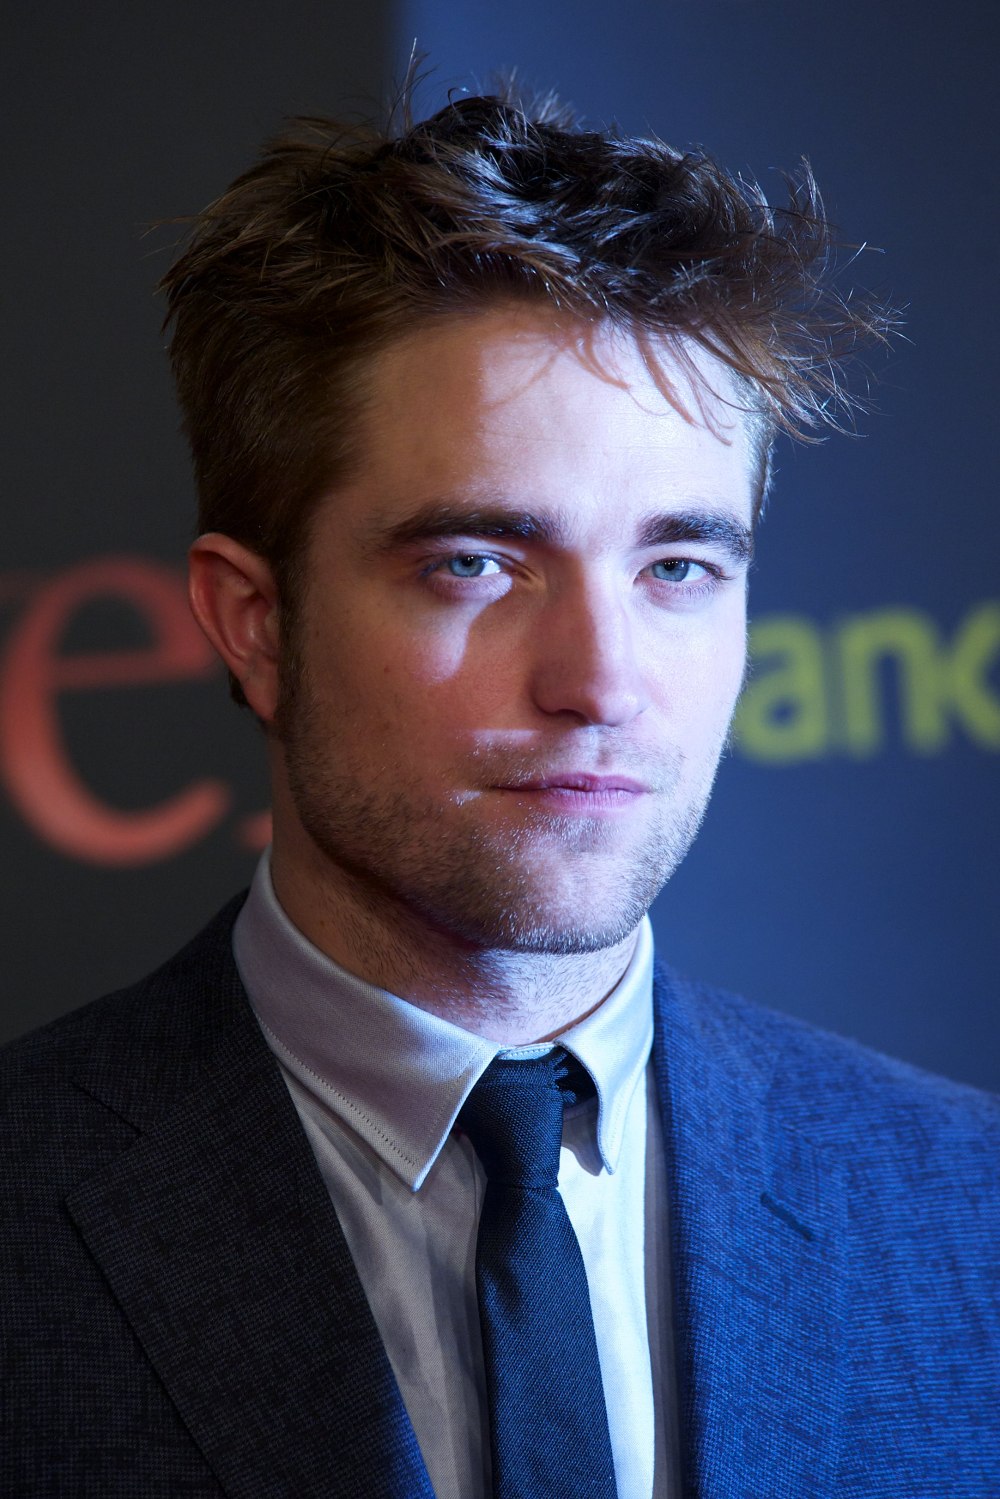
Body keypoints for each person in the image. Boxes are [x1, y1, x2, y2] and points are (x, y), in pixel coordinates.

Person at [2, 83, 997, 1499]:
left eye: (678, 568)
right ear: (255, 624)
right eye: (476, 564)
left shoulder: (968, 1206)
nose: (600, 681)